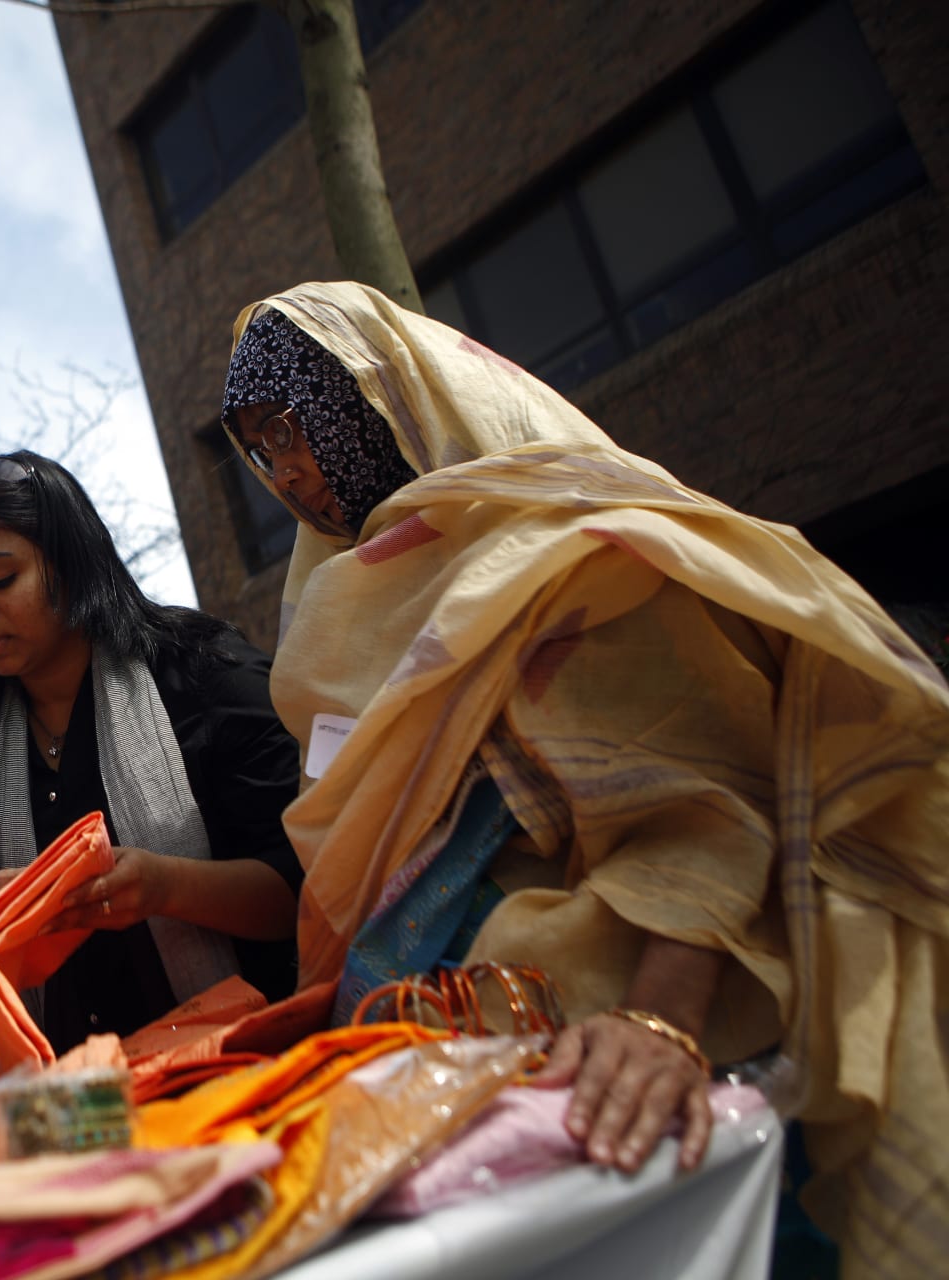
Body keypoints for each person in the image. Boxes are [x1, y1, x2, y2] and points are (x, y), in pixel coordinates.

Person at [217, 281, 949, 1275]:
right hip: (432, 1083)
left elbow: (713, 810)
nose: (286, 470)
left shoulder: (574, 548)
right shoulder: (335, 615)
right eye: (257, 448)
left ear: (371, 400)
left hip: (617, 1064)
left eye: (292, 426)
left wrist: (660, 1023)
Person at [0, 451, 305, 1099]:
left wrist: (167, 885)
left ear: (71, 561)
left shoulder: (207, 677)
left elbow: (306, 888)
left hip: (232, 1075)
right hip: (55, 1108)